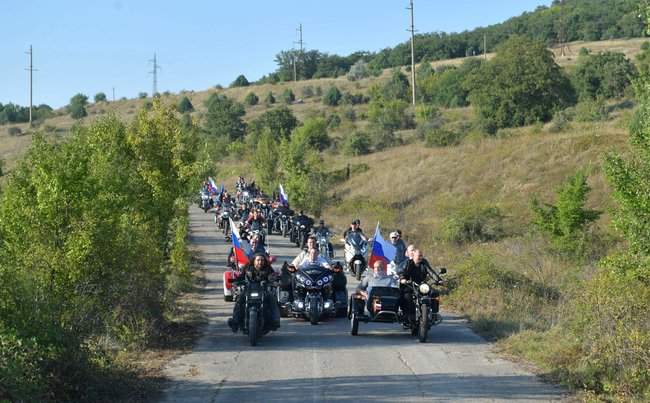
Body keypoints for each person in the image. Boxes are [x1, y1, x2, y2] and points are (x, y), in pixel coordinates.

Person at [227, 254, 280, 333]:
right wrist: (236, 281)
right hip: (248, 290)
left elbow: (272, 277)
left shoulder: (268, 268)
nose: (260, 262)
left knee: (272, 299)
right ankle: (235, 322)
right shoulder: (248, 268)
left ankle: (275, 320)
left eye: (262, 260)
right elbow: (241, 276)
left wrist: (274, 280)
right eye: (258, 260)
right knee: (239, 300)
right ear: (254, 261)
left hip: (263, 291)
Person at [399, 249, 442, 324]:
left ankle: (434, 314)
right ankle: (408, 316)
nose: (420, 257)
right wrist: (403, 279)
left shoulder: (424, 262)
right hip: (410, 285)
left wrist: (438, 279)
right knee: (407, 296)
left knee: (435, 293)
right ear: (413, 256)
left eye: (421, 256)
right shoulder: (408, 263)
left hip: (422, 285)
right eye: (419, 256)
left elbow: (430, 271)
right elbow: (403, 271)